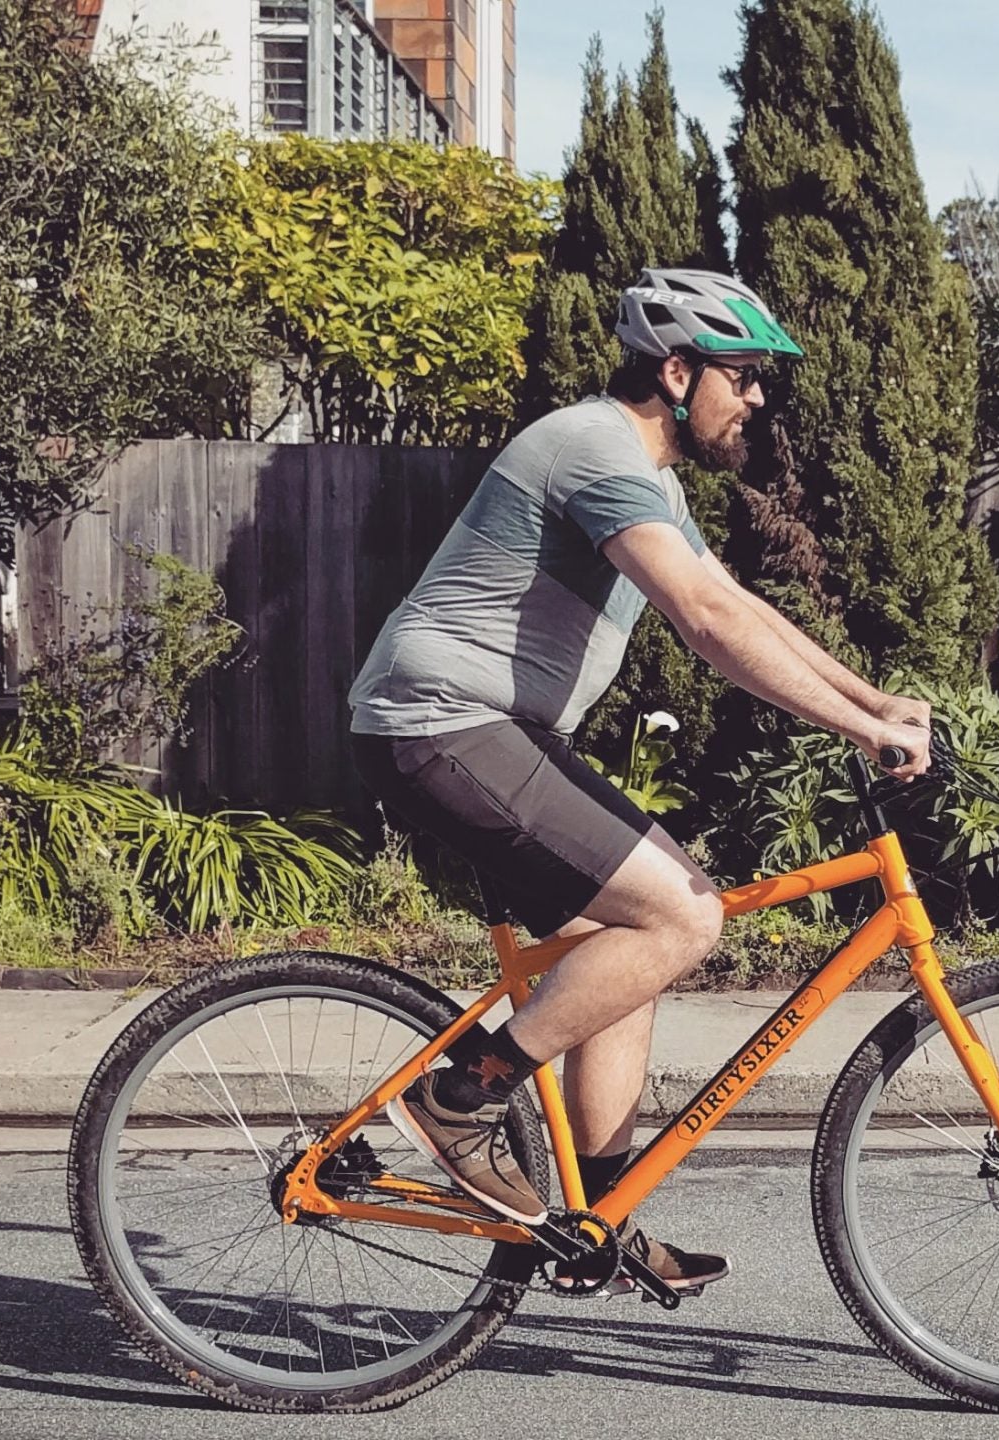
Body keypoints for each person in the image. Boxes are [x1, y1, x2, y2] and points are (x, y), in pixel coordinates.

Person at [347, 268, 931, 1296]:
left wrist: (874, 702)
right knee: (682, 916)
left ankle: (596, 1214)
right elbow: (706, 629)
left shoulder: (647, 481)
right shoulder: (591, 446)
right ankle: (461, 1101)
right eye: (744, 377)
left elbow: (730, 603)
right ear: (676, 368)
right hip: (446, 722)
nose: (756, 399)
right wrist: (859, 725)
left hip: (501, 731)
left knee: (632, 947)